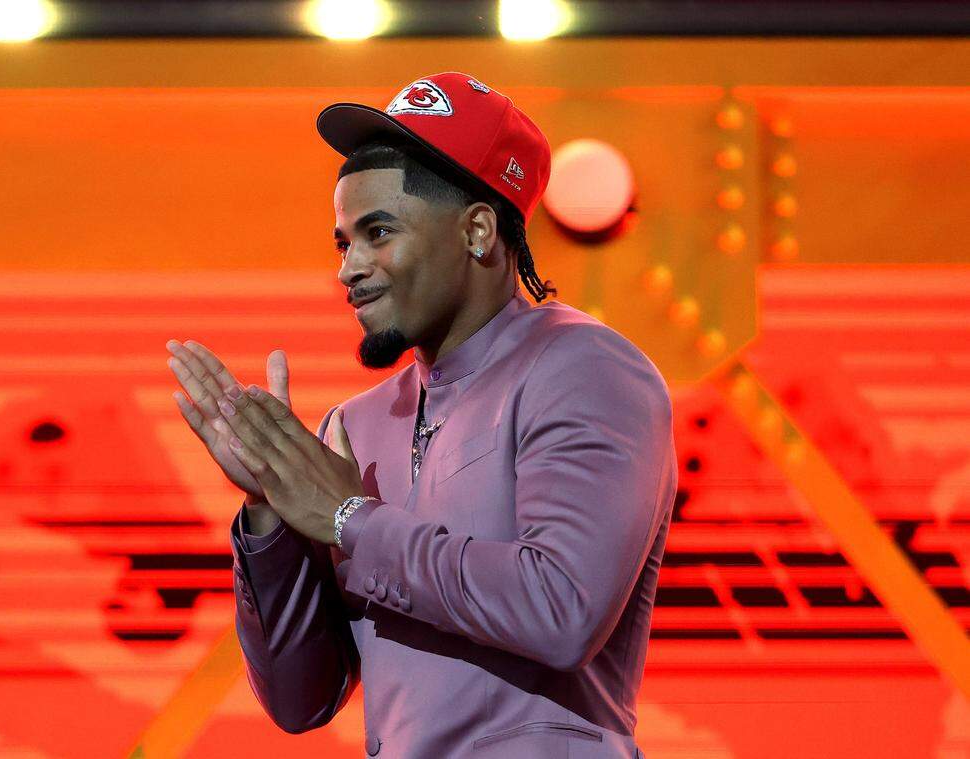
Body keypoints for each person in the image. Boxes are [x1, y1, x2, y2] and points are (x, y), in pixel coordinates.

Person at [165, 71, 676, 759]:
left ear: (477, 230)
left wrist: (350, 519)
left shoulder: (583, 368)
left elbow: (562, 609)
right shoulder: (358, 423)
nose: (349, 268)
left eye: (378, 232)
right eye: (343, 242)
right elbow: (300, 699)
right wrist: (269, 507)